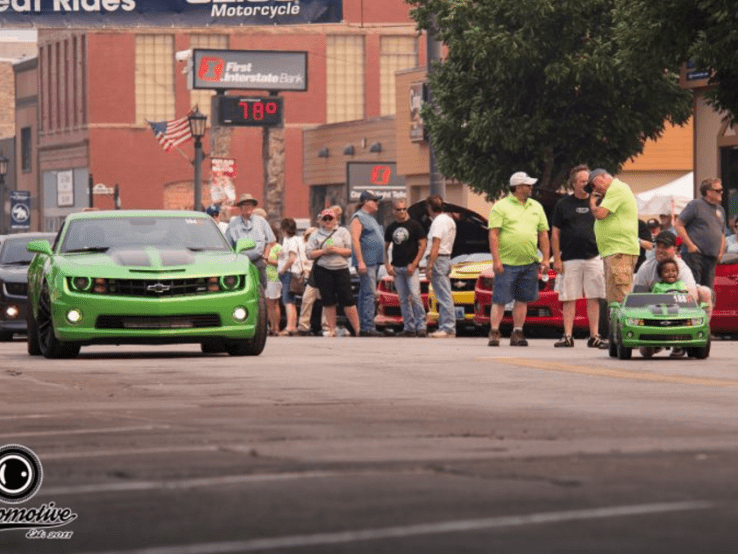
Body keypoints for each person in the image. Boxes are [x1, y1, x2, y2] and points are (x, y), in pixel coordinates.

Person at [488, 171, 550, 347]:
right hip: (506, 262)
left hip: (530, 261)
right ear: (517, 187)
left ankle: (517, 332)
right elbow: (494, 235)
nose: (531, 188)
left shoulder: (536, 207)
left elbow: (543, 234)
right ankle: (494, 331)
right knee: (500, 299)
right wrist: (496, 260)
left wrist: (545, 258)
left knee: (522, 299)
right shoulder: (500, 207)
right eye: (527, 185)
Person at [550, 165, 607, 349]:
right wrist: (556, 258)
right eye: (582, 181)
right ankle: (567, 335)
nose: (586, 184)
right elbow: (555, 233)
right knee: (569, 297)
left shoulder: (598, 203)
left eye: (588, 181)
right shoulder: (563, 205)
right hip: (570, 258)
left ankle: (595, 335)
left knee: (594, 297)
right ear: (573, 184)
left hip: (594, 256)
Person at [633, 230, 712, 358]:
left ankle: (698, 337)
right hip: (653, 314)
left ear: (675, 249)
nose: (661, 250)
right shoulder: (646, 268)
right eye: (658, 246)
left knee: (705, 292)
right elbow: (636, 298)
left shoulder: (682, 268)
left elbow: (692, 297)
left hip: (679, 312)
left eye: (666, 247)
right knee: (645, 353)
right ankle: (654, 341)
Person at [588, 169, 640, 305]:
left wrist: (592, 203)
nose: (595, 188)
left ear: (604, 176)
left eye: (595, 183)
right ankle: (616, 325)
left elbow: (600, 214)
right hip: (613, 250)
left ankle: (627, 325)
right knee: (613, 298)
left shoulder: (616, 188)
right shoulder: (612, 193)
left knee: (622, 294)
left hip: (619, 250)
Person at [306, 208, 361, 337]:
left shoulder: (342, 232)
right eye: (325, 219)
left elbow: (350, 251)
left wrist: (336, 250)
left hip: (341, 269)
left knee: (348, 300)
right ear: (321, 220)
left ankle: (357, 329)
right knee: (328, 301)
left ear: (335, 219)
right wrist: (324, 251)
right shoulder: (315, 235)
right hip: (323, 270)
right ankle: (331, 329)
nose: (328, 221)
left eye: (330, 218)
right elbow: (309, 254)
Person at [384, 199, 428, 337]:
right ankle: (409, 327)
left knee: (415, 296)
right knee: (403, 299)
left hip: (411, 268)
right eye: (398, 209)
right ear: (393, 211)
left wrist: (414, 264)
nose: (402, 212)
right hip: (397, 267)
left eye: (404, 209)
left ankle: (421, 326)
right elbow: (384, 248)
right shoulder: (391, 227)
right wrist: (387, 264)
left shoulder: (415, 225)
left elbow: (423, 245)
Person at [673, 177, 726, 290]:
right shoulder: (696, 205)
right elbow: (678, 224)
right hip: (695, 256)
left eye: (721, 189)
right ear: (708, 192)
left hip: (711, 257)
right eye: (718, 190)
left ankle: (705, 308)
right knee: (694, 290)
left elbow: (722, 233)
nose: (721, 192)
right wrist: (690, 245)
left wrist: (721, 252)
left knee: (707, 292)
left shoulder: (720, 209)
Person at [350, 190, 385, 337]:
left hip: (374, 262)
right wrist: (360, 261)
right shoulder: (359, 217)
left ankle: (366, 325)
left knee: (367, 293)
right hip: (366, 262)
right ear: (366, 202)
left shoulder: (371, 218)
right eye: (374, 200)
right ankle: (368, 326)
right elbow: (355, 240)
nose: (377, 203)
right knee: (369, 294)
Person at [225, 193, 276, 288]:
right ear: (240, 207)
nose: (247, 207)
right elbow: (228, 245)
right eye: (244, 204)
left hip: (258, 260)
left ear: (253, 207)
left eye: (249, 204)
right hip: (240, 261)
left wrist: (265, 257)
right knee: (239, 286)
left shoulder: (261, 221)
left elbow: (271, 241)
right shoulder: (233, 223)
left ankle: (262, 300)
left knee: (262, 287)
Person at [425, 195, 457, 338]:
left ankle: (448, 328)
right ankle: (447, 326)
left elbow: (436, 244)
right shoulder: (449, 220)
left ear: (430, 208)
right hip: (446, 258)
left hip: (438, 259)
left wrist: (430, 266)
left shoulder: (438, 222)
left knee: (443, 295)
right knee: (444, 293)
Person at [277, 218, 301, 336]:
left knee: (287, 301)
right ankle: (293, 325)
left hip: (288, 273)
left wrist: (282, 269)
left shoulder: (291, 241)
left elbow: (292, 258)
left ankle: (290, 326)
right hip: (293, 273)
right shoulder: (295, 239)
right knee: (291, 301)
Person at [264, 225, 282, 336]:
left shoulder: (278, 247)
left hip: (274, 277)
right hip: (265, 277)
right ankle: (270, 326)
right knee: (267, 304)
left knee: (274, 303)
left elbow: (280, 262)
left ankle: (276, 327)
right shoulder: (264, 247)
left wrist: (269, 260)